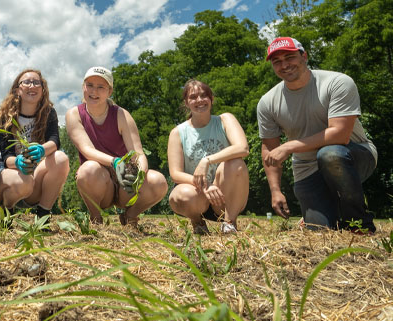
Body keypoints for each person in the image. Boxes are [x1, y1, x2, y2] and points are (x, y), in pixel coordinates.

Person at [257, 36, 377, 232]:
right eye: (277, 61)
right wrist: (275, 191)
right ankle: (323, 214)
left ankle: (359, 223)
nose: (284, 65)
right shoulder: (267, 102)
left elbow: (340, 135)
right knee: (319, 229)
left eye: (290, 57)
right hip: (306, 167)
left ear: (304, 56)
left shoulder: (337, 82)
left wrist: (289, 146)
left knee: (330, 154)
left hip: (353, 154)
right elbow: (270, 148)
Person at [65, 66, 167, 226]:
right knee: (88, 169)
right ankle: (95, 219)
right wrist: (115, 162)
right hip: (99, 181)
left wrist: (139, 174)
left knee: (159, 182)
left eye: (101, 87)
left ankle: (130, 215)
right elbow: (87, 150)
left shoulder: (121, 114)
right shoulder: (74, 114)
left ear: (109, 92)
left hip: (125, 183)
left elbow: (138, 154)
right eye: (90, 85)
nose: (94, 91)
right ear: (83, 87)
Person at [167, 79, 249, 235]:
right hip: (198, 196)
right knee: (181, 194)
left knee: (236, 163)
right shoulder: (178, 132)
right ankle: (198, 222)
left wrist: (207, 160)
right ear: (186, 102)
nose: (199, 100)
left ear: (211, 99)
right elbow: (175, 174)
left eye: (204, 95)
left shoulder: (225, 120)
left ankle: (229, 223)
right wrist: (205, 185)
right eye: (193, 97)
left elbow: (243, 148)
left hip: (224, 195)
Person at [0, 69, 70, 217]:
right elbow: (7, 156)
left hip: (33, 178)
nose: (32, 86)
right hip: (8, 176)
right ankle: (5, 211)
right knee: (24, 181)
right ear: (17, 90)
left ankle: (43, 215)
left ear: (42, 89)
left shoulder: (49, 113)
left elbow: (55, 141)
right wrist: (19, 161)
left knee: (61, 158)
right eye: (26, 82)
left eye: (36, 83)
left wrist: (41, 150)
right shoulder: (5, 116)